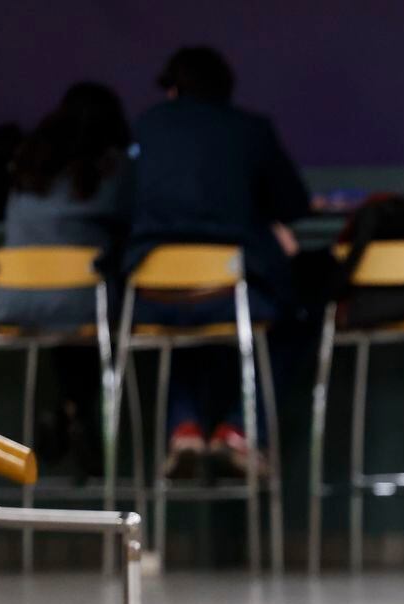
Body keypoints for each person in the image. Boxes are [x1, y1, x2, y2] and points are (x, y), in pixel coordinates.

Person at [125, 46, 311, 477]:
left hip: (150, 299)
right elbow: (294, 202)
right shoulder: (250, 130)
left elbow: (122, 208)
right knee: (295, 317)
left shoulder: (148, 127)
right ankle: (242, 429)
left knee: (182, 333)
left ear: (174, 89)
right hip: (234, 295)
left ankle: (184, 427)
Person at [0, 82, 131, 475]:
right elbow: (133, 220)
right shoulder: (114, 168)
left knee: (67, 317)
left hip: (14, 302)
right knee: (88, 310)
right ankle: (76, 412)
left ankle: (71, 410)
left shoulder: (28, 162)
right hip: (85, 303)